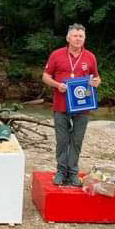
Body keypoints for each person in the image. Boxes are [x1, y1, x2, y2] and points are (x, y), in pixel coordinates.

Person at [42, 24, 101, 186]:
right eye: (75, 36)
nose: (78, 39)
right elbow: (45, 76)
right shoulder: (56, 55)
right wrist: (56, 85)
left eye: (81, 36)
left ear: (84, 39)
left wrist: (96, 83)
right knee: (62, 141)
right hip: (61, 105)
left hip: (83, 107)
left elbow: (97, 78)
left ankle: (73, 172)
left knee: (76, 141)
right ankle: (61, 171)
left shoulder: (90, 57)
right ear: (68, 38)